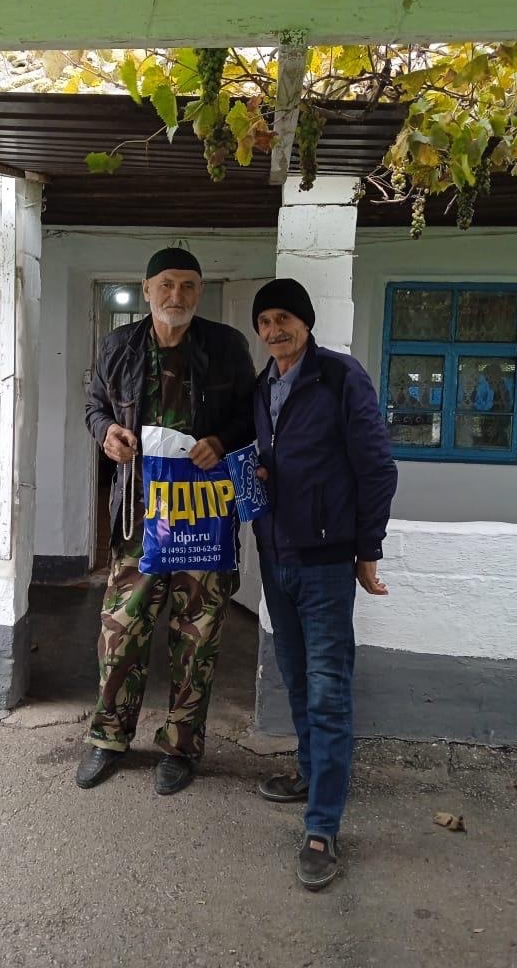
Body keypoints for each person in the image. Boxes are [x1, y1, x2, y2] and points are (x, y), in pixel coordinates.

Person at [78, 247, 256, 796]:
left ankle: (180, 747)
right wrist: (106, 433)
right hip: (139, 517)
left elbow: (254, 416)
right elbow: (94, 406)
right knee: (121, 632)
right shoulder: (119, 346)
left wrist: (221, 441)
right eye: (166, 284)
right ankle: (109, 737)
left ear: (199, 291)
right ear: (147, 288)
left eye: (188, 285)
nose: (176, 295)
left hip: (203, 517)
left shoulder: (226, 347)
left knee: (196, 638)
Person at [251, 278, 398, 891]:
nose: (274, 330)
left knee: (328, 691)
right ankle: (312, 777)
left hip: (327, 562)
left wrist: (367, 550)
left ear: (306, 322)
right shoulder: (263, 385)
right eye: (265, 321)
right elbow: (274, 458)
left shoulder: (340, 377)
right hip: (276, 557)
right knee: (297, 679)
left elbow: (377, 467)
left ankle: (322, 827)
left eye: (284, 318)